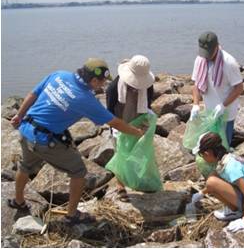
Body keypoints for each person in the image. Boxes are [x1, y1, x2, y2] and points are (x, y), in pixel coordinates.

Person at [9, 58, 144, 225]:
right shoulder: (86, 99)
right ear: (94, 80)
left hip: (26, 129)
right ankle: (71, 215)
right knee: (79, 171)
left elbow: (33, 94)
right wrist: (137, 132)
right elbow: (114, 122)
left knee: (25, 166)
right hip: (45, 141)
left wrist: (19, 115)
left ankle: (18, 201)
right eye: (101, 83)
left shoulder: (58, 75)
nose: (102, 86)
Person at [191, 132, 244, 233]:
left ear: (207, 153)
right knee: (212, 179)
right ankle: (234, 210)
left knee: (211, 182)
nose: (202, 157)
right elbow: (215, 176)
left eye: (201, 154)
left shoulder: (230, 167)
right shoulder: (225, 158)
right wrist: (201, 193)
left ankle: (238, 212)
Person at [106, 55, 155, 201]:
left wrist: (147, 119)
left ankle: (137, 181)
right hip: (120, 121)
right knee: (120, 154)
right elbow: (108, 110)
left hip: (138, 119)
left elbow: (148, 104)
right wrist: (116, 126)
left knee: (139, 152)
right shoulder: (114, 87)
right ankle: (121, 187)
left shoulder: (148, 85)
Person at [190, 31, 243, 146]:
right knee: (210, 147)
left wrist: (223, 106)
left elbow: (239, 88)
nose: (206, 56)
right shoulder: (200, 60)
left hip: (226, 113)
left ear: (217, 46)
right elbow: (195, 84)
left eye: (209, 52)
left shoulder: (229, 62)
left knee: (223, 146)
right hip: (209, 111)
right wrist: (195, 104)